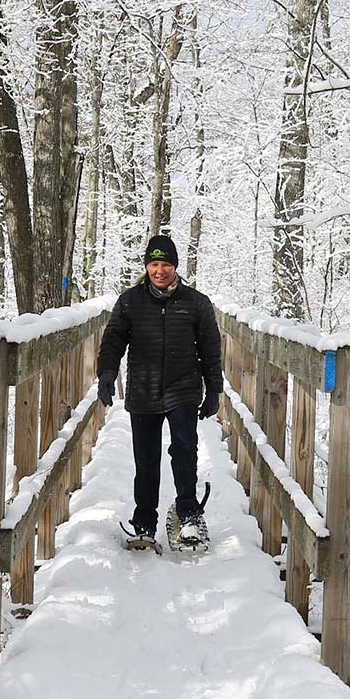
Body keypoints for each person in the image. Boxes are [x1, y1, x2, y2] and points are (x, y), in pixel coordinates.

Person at [96, 234, 223, 549]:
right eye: (154, 264)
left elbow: (210, 350)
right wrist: (107, 372)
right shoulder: (130, 301)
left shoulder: (196, 303)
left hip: (183, 388)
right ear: (147, 267)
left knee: (184, 450)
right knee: (147, 460)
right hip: (143, 390)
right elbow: (113, 339)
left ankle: (189, 516)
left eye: (166, 264)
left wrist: (214, 391)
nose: (160, 270)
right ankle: (144, 524)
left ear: (175, 267)